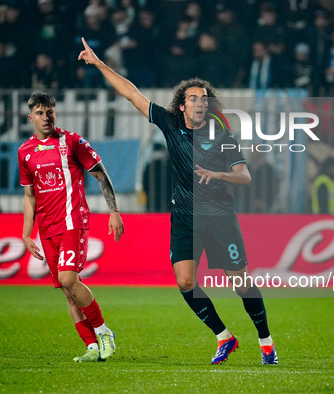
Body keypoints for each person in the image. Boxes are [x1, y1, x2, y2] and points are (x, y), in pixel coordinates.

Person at [78, 37, 278, 365]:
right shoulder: (170, 124)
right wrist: (100, 64)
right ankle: (224, 337)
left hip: (219, 217)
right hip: (184, 216)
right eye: (193, 98)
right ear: (181, 106)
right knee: (185, 281)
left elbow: (244, 176)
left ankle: (266, 341)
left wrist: (220, 176)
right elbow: (131, 93)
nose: (199, 103)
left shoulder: (222, 135)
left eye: (204, 98)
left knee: (240, 283)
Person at [18, 92, 124, 362]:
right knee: (67, 291)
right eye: (40, 113)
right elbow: (29, 197)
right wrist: (26, 234)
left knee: (68, 280)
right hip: (47, 228)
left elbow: (100, 173)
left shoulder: (72, 141)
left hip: (72, 221)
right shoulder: (25, 152)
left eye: (50, 111)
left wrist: (114, 210)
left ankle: (103, 331)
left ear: (56, 113)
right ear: (31, 117)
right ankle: (91, 346)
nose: (46, 117)